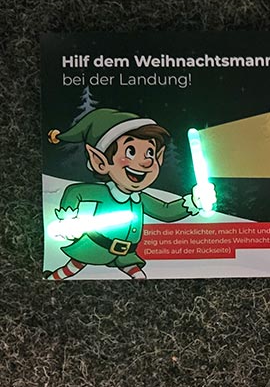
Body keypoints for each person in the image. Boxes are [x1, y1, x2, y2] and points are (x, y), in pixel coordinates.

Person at [45, 108, 216, 280]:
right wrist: (69, 220)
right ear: (100, 162)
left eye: (150, 153)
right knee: (71, 269)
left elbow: (165, 211)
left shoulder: (140, 199)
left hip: (126, 254)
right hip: (95, 247)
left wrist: (194, 201)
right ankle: (53, 277)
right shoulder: (102, 193)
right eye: (131, 151)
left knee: (139, 277)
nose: (146, 161)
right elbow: (75, 192)